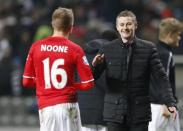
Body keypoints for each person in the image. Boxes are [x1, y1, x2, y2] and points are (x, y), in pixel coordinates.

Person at [92, 10, 177, 131]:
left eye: (128, 24)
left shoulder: (149, 48)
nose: (125, 28)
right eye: (121, 25)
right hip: (114, 114)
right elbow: (92, 77)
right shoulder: (107, 48)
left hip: (139, 114)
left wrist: (170, 102)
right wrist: (96, 66)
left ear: (135, 25)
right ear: (117, 27)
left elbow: (161, 78)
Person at [22, 7, 94, 131]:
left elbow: (26, 81)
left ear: (52, 24)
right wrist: (68, 85)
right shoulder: (75, 49)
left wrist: (44, 83)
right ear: (71, 27)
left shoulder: (36, 47)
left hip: (46, 108)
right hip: (69, 107)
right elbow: (88, 84)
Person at [78, 29, 118, 131]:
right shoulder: (111, 54)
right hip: (104, 112)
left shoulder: (81, 53)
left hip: (83, 111)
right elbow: (107, 84)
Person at [149, 18, 183, 131]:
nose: (179, 38)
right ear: (170, 34)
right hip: (163, 107)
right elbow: (163, 79)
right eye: (178, 34)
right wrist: (167, 104)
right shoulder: (165, 54)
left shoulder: (153, 50)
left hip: (152, 106)